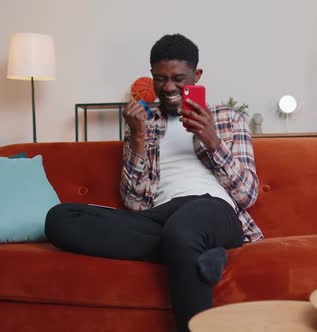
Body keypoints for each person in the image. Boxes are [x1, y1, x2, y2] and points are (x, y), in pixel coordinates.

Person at [45, 33, 263, 332]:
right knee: (60, 219)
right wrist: (137, 136)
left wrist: (213, 141)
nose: (169, 88)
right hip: (160, 216)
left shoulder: (227, 119)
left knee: (184, 228)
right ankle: (203, 253)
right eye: (160, 79)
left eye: (178, 78)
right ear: (152, 76)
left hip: (214, 210)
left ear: (196, 76)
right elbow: (134, 202)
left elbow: (248, 194)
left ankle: (195, 253)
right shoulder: (143, 123)